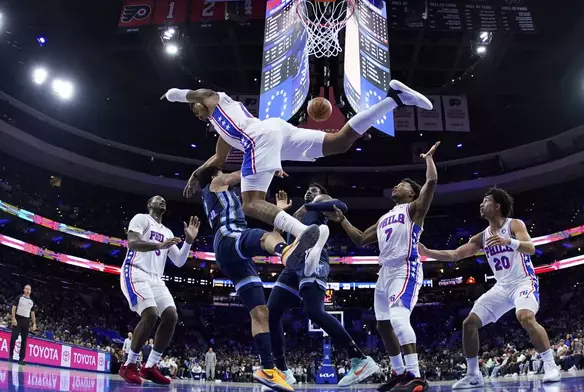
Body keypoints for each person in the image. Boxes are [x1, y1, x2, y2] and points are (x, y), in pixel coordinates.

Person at [160, 80, 433, 276]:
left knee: (251, 203)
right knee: (339, 143)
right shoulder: (221, 127)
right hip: (275, 132)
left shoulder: (214, 99)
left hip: (260, 138)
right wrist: (196, 174)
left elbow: (202, 92)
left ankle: (304, 234)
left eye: (194, 108)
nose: (196, 112)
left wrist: (175, 94)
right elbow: (218, 159)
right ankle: (395, 99)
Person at [418, 187, 561, 389]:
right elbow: (456, 255)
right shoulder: (481, 237)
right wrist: (427, 251)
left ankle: (551, 366)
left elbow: (531, 248)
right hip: (501, 286)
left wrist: (508, 241)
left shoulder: (514, 224)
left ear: (497, 206)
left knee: (526, 317)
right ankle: (474, 374)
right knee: (469, 324)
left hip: (523, 281)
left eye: (485, 201)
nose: (480, 204)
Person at [325, 142, 440, 392]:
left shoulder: (414, 210)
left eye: (403, 184)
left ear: (412, 193)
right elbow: (359, 239)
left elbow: (431, 183)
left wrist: (429, 159)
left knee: (398, 318)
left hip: (404, 268)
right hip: (385, 272)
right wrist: (342, 220)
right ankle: (400, 374)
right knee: (383, 324)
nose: (397, 185)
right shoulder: (385, 217)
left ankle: (416, 375)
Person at [198, 167, 318, 392]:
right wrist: (269, 165)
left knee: (261, 312)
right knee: (267, 237)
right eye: (221, 171)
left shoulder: (220, 191)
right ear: (214, 175)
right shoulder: (214, 185)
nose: (226, 175)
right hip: (228, 235)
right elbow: (245, 172)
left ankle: (268, 370)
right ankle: (286, 252)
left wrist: (279, 213)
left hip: (235, 257)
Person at [266, 186, 379, 388]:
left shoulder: (317, 204)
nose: (310, 191)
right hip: (293, 264)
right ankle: (282, 370)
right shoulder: (296, 215)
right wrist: (280, 213)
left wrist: (309, 205)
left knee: (314, 311)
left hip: (316, 258)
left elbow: (341, 206)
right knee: (271, 313)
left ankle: (360, 359)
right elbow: (275, 236)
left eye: (314, 189)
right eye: (308, 190)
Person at [118, 196, 200, 385]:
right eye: (157, 200)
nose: (162, 201)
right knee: (151, 315)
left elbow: (179, 261)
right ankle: (129, 365)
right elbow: (133, 243)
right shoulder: (141, 219)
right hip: (135, 271)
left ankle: (149, 367)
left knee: (171, 315)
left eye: (164, 200)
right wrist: (158, 245)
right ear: (149, 205)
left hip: (156, 279)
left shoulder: (168, 231)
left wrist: (188, 241)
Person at [9, 284, 37, 364]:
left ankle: (21, 359)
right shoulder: (19, 297)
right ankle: (10, 355)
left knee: (24, 341)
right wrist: (13, 318)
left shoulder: (31, 302)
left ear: (30, 291)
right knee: (13, 338)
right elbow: (14, 308)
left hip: (26, 321)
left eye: (29, 289)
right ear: (24, 290)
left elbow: (32, 313)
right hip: (18, 319)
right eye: (27, 289)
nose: (28, 291)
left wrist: (34, 323)